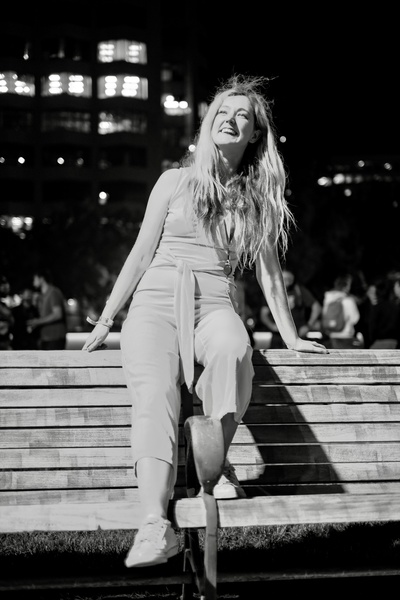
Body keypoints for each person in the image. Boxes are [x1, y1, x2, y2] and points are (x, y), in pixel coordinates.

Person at [82, 74, 328, 569]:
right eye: (223, 110)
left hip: (214, 302)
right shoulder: (174, 181)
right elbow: (139, 252)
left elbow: (270, 277)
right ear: (209, 121)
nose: (230, 119)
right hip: (153, 303)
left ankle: (212, 468)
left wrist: (292, 337)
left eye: (243, 116)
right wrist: (107, 319)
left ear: (255, 135)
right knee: (154, 394)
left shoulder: (254, 200)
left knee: (234, 349)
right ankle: (154, 525)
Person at [258, 268, 322, 348]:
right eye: (284, 278)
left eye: (289, 279)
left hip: (298, 334)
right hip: (278, 336)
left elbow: (317, 307)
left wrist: (308, 326)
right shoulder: (272, 292)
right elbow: (263, 315)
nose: (287, 282)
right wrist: (272, 326)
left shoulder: (299, 290)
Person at [27, 268, 67, 350]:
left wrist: (37, 322)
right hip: (45, 337)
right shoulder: (41, 296)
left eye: (35, 279)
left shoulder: (53, 292)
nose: (33, 282)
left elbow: (57, 314)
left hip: (55, 337)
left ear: (41, 279)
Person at [322, 274, 360, 349]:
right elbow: (355, 318)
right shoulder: (348, 300)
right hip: (346, 336)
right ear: (347, 286)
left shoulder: (328, 298)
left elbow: (324, 313)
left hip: (332, 335)